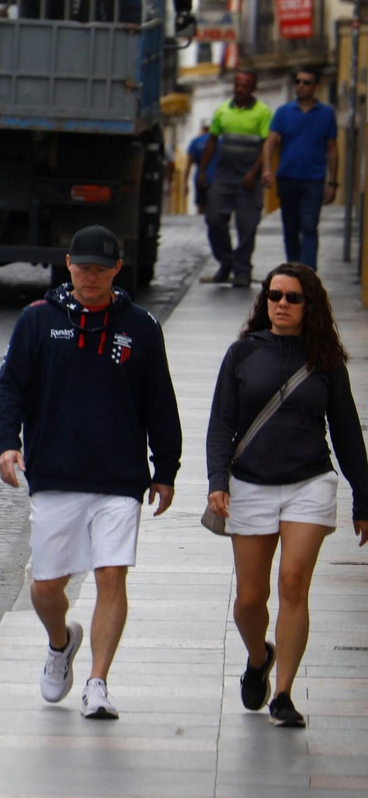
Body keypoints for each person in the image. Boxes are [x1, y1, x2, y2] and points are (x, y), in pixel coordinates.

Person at [0, 225, 181, 720]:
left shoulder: (141, 326)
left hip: (119, 476)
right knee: (47, 586)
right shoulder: (37, 321)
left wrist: (166, 468)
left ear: (117, 269)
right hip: (55, 472)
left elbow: (160, 401)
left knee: (111, 575)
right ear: (68, 264)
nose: (90, 276)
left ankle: (98, 683)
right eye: (82, 266)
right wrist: (7, 444)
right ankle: (60, 642)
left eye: (101, 268)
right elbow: (10, 387)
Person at [205, 265, 368, 728]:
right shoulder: (242, 353)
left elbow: (347, 432)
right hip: (250, 484)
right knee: (249, 601)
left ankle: (283, 695)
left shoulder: (326, 361)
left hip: (309, 484)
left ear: (309, 305)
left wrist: (364, 497)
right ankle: (259, 658)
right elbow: (221, 424)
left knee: (294, 584)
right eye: (274, 294)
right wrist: (218, 480)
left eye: (293, 297)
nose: (281, 303)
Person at [200, 66, 273, 287]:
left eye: (244, 85)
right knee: (214, 220)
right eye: (237, 84)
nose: (239, 89)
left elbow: (266, 146)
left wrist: (254, 173)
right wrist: (203, 171)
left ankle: (242, 270)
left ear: (253, 88)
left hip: (249, 180)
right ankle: (227, 262)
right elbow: (212, 141)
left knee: (247, 226)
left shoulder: (262, 112)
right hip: (223, 177)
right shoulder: (222, 110)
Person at [263, 69, 338, 270]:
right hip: (287, 177)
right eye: (298, 81)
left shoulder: (326, 114)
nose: (301, 85)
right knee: (290, 228)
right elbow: (270, 142)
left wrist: (333, 182)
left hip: (313, 179)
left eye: (306, 82)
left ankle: (307, 273)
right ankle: (293, 268)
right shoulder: (283, 112)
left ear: (315, 87)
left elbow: (332, 148)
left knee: (309, 226)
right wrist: (267, 169)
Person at [187, 121, 216, 215]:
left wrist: (185, 182)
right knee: (214, 205)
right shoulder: (219, 141)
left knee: (201, 206)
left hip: (200, 177)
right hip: (215, 178)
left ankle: (200, 225)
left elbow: (189, 163)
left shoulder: (195, 142)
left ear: (202, 128)